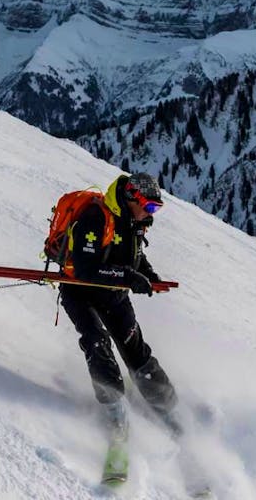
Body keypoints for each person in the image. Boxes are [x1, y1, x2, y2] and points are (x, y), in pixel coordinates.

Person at [60, 172, 178, 436]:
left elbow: (134, 254)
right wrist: (128, 277)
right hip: (81, 292)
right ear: (130, 198)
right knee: (96, 341)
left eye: (156, 208)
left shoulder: (134, 221)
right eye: (149, 206)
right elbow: (84, 269)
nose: (152, 213)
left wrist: (148, 275)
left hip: (113, 294)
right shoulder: (95, 217)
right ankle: (114, 410)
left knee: (135, 350)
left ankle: (169, 408)